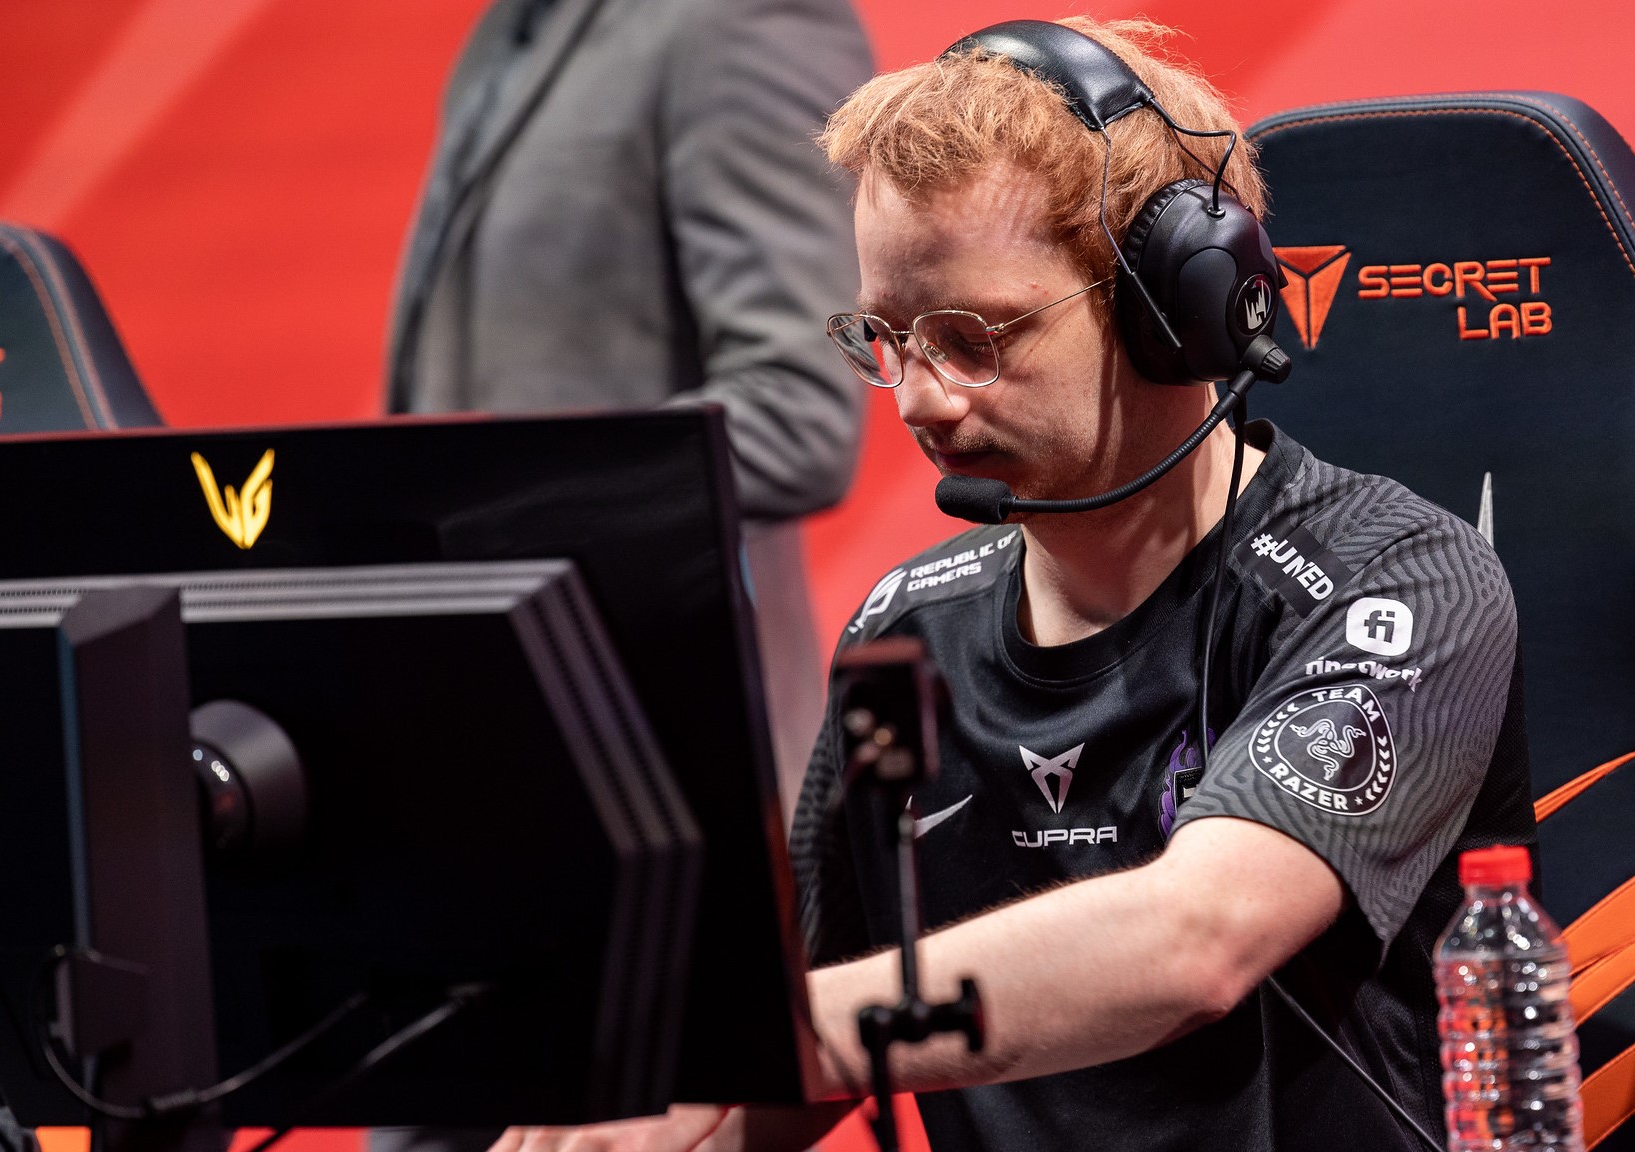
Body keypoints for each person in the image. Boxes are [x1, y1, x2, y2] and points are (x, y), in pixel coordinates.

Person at [491, 17, 1531, 1152]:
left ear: (1169, 309)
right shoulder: (904, 631)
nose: (916, 400)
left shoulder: (1397, 582)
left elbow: (1197, 941)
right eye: (888, 337)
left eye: (973, 338)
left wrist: (768, 1032)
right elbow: (788, 1066)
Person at [385, 0, 872, 802]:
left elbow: (797, 416)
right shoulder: (508, 31)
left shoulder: (739, 18)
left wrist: (486, 502)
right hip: (500, 735)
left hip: (667, 755)